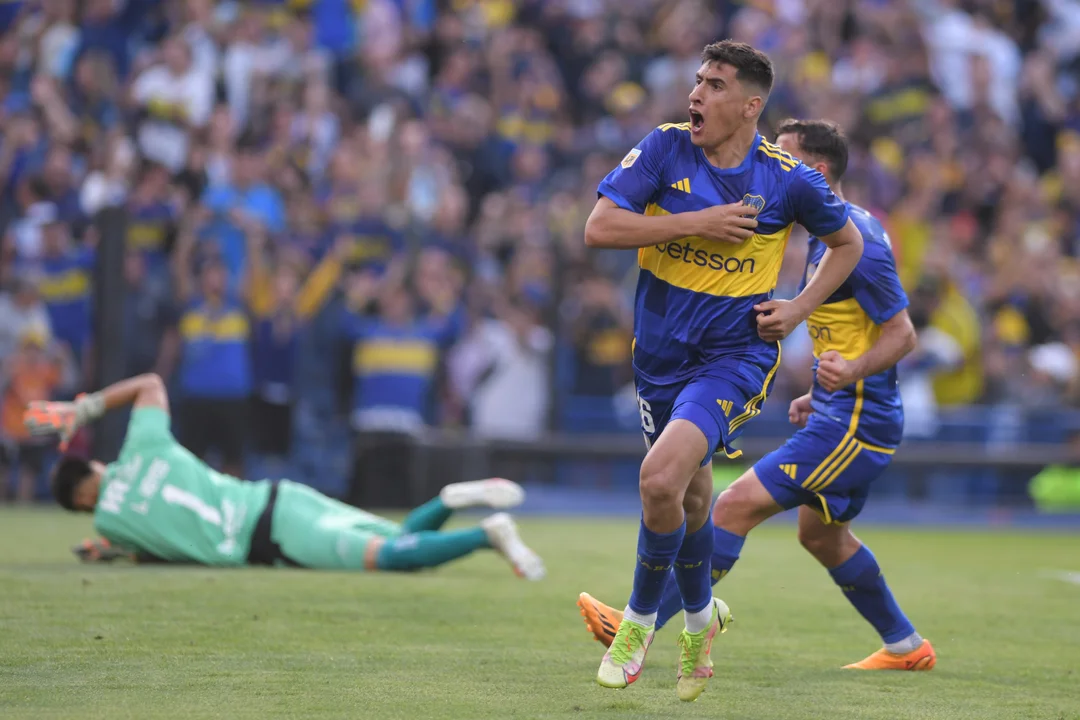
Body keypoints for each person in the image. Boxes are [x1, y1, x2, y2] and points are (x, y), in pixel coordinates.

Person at [577, 119, 936, 673]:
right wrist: (820, 389)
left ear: (816, 172)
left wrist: (848, 375)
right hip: (837, 409)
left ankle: (639, 624)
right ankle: (907, 647)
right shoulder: (818, 238)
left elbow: (903, 334)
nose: (767, 165)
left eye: (783, 155)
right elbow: (848, 332)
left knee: (732, 505)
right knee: (823, 539)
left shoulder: (857, 244)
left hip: (857, 422)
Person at [581, 41, 863, 699]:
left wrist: (797, 309)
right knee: (690, 498)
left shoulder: (787, 178)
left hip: (734, 357)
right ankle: (701, 619)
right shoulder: (664, 149)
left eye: (714, 85)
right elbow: (599, 228)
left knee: (659, 479)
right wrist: (699, 222)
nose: (696, 94)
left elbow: (846, 242)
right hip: (658, 356)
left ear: (750, 105)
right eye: (697, 81)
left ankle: (638, 624)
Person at [23, 373, 545, 579]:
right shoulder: (142, 446)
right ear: (96, 465)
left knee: (391, 559)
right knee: (401, 539)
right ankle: (449, 500)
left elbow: (162, 548)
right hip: (278, 497)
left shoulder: (111, 522)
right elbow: (151, 385)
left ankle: (487, 534)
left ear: (82, 503)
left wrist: (114, 551)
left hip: (269, 536)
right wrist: (81, 409)